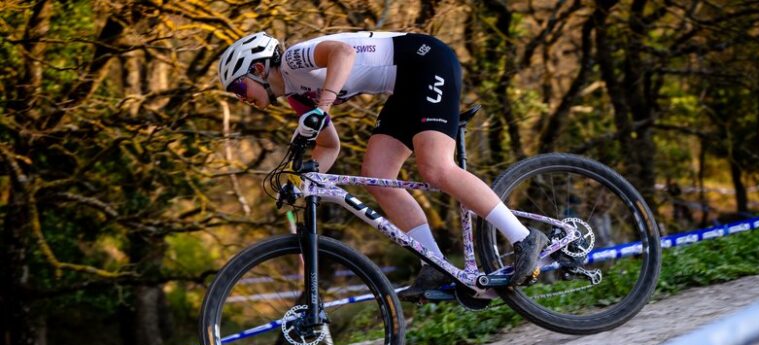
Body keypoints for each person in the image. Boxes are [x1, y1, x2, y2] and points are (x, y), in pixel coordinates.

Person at [217, 31, 547, 299]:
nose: (241, 98)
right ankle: (434, 264)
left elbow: (343, 53)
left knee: (435, 167)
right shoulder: (297, 96)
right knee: (376, 177)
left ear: (258, 68)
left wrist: (324, 107)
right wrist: (301, 185)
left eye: (239, 87)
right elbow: (329, 146)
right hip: (403, 87)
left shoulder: (292, 59)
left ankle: (523, 237)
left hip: (426, 60)